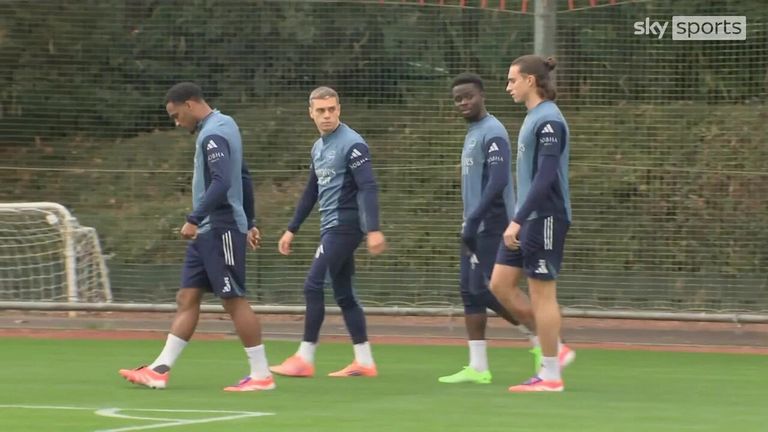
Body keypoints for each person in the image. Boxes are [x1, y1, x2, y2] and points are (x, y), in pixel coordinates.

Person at [118, 82, 274, 392]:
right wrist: (251, 221)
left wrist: (194, 218)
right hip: (209, 230)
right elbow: (243, 175)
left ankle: (261, 375)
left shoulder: (213, 134)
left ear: (189, 104)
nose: (177, 123)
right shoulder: (226, 124)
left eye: (176, 116)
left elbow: (222, 182)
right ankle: (159, 370)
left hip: (219, 226)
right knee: (187, 296)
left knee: (233, 300)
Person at [270, 86, 387, 378]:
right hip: (331, 227)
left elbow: (368, 186)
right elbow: (311, 191)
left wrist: (373, 229)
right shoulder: (318, 147)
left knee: (313, 285)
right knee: (344, 294)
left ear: (339, 109)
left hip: (345, 227)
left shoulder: (353, 144)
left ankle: (304, 357)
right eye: (321, 110)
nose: (327, 115)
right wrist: (291, 229)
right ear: (311, 113)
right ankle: (364, 362)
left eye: (332, 109)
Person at [438, 73, 540, 385]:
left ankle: (544, 339)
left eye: (468, 96)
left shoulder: (493, 131)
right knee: (470, 292)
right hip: (474, 223)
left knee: (489, 289)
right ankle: (478, 367)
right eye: (458, 99)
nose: (463, 102)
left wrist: (475, 220)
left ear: (482, 96)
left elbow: (498, 182)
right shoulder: (473, 132)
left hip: (492, 223)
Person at [494, 56, 574, 392]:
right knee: (500, 285)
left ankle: (551, 375)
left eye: (512, 80)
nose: (508, 87)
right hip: (528, 218)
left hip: (546, 216)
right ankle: (556, 346)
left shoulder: (549, 120)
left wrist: (517, 219)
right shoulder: (533, 118)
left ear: (530, 80)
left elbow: (546, 177)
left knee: (542, 294)